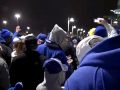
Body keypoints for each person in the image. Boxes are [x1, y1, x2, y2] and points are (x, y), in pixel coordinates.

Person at [36, 24, 69, 90]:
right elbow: (65, 73)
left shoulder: (39, 47)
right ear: (58, 38)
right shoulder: (59, 52)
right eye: (63, 38)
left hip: (39, 83)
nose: (65, 41)